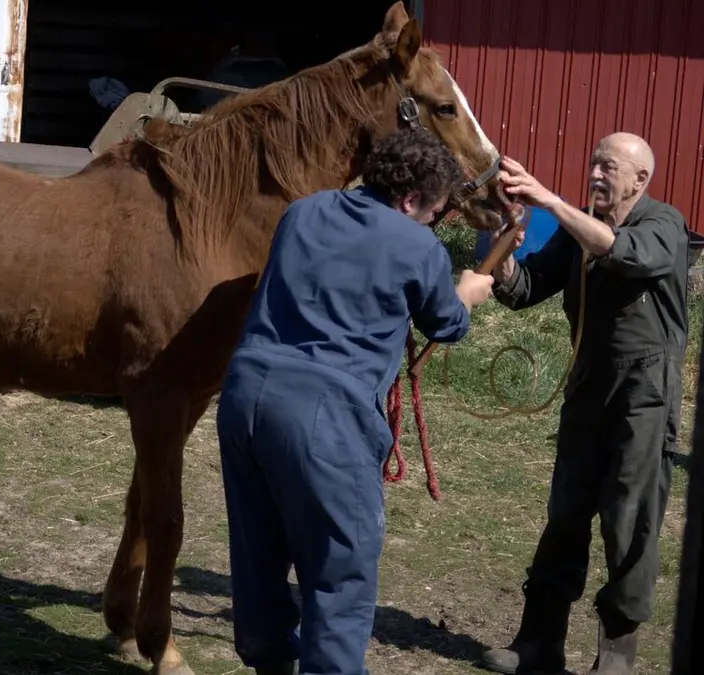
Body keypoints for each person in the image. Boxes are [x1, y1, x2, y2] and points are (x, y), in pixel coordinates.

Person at [215, 127, 496, 675]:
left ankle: (269, 659)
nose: (434, 223)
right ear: (412, 200)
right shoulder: (416, 244)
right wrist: (468, 293)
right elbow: (445, 322)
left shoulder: (304, 210)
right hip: (324, 414)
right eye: (435, 212)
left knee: (259, 549)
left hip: (246, 393)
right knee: (340, 564)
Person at [479, 132, 690, 675]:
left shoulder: (662, 223)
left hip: (644, 394)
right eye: (593, 163)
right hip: (588, 386)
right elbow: (525, 288)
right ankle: (538, 644)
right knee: (566, 513)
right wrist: (502, 251)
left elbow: (625, 254)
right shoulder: (577, 233)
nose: (596, 174)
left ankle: (615, 655)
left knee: (630, 519)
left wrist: (549, 200)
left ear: (639, 180)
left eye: (609, 167)